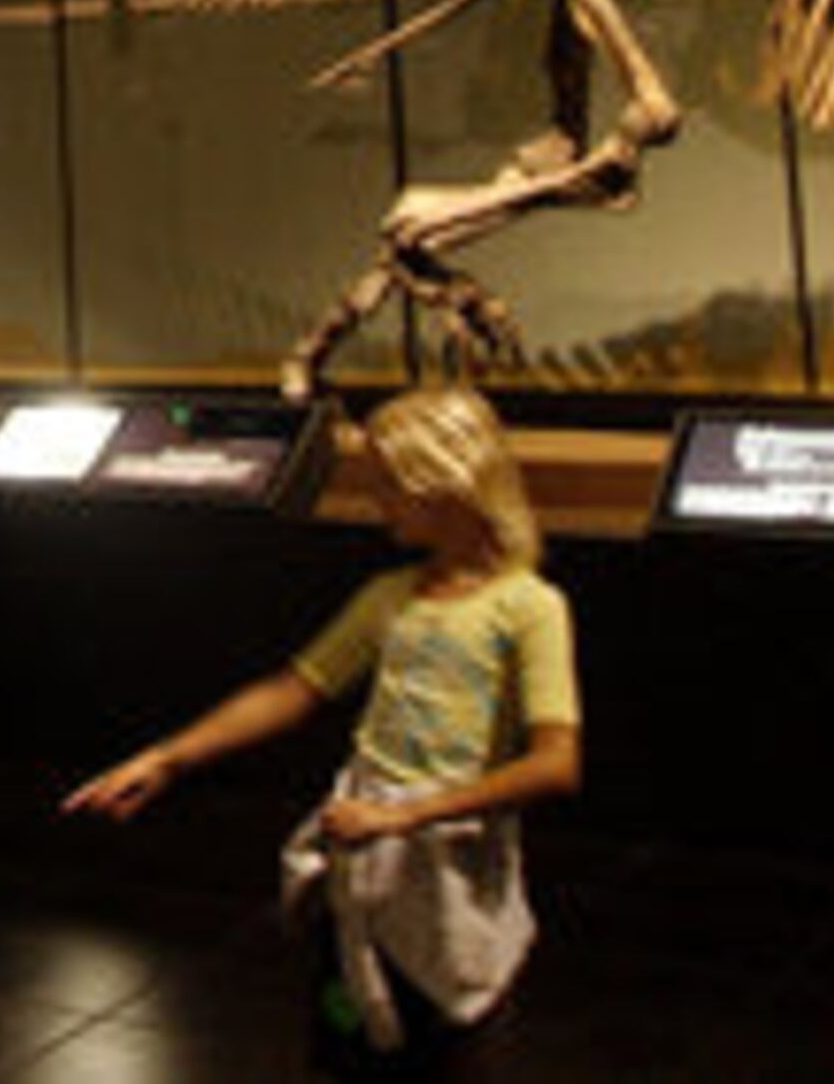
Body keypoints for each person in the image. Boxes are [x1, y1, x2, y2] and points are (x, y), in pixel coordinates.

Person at [61, 385, 583, 1073]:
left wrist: (407, 814)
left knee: (451, 1037)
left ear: (442, 484)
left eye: (387, 486)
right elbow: (296, 688)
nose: (377, 503)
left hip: (444, 870)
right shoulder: (391, 596)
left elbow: (555, 763)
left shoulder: (529, 606)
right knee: (350, 1033)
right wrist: (168, 757)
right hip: (366, 854)